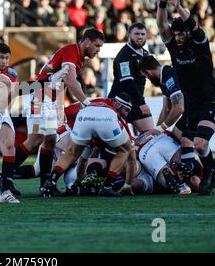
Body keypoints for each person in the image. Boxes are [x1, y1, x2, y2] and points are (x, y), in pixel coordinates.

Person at [12, 28, 104, 194]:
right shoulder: (71, 52)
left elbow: (63, 83)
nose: (98, 50)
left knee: (47, 140)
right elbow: (70, 82)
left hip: (48, 101)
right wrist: (86, 103)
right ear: (87, 41)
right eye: (97, 46)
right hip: (41, 98)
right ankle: (5, 177)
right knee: (36, 140)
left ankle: (44, 185)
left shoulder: (77, 56)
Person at [157, 0, 215, 195]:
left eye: (181, 34)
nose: (177, 38)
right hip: (192, 105)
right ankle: (194, 171)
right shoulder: (173, 47)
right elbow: (161, 25)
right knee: (181, 136)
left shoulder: (200, 44)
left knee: (200, 144)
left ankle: (210, 169)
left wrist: (178, 6)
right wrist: (162, 2)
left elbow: (193, 24)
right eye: (175, 34)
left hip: (211, 102)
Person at [41, 93, 137, 197]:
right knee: (125, 150)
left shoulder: (97, 102)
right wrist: (128, 185)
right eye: (126, 110)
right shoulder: (117, 116)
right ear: (117, 104)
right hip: (105, 119)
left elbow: (83, 159)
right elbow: (132, 157)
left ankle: (51, 180)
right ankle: (107, 187)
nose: (127, 114)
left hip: (83, 117)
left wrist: (78, 182)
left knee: (72, 153)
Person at [108, 22, 154, 133]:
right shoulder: (124, 55)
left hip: (136, 101)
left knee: (150, 136)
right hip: (119, 103)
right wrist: (141, 103)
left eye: (143, 34)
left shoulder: (145, 53)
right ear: (129, 34)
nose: (140, 37)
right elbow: (127, 82)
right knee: (110, 142)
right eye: (136, 34)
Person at [138, 55, 184, 132]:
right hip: (191, 110)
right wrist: (156, 130)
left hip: (201, 106)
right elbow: (166, 108)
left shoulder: (169, 76)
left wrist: (161, 128)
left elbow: (179, 108)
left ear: (148, 72)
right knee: (177, 134)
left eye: (145, 76)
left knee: (183, 137)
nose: (148, 79)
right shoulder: (163, 77)